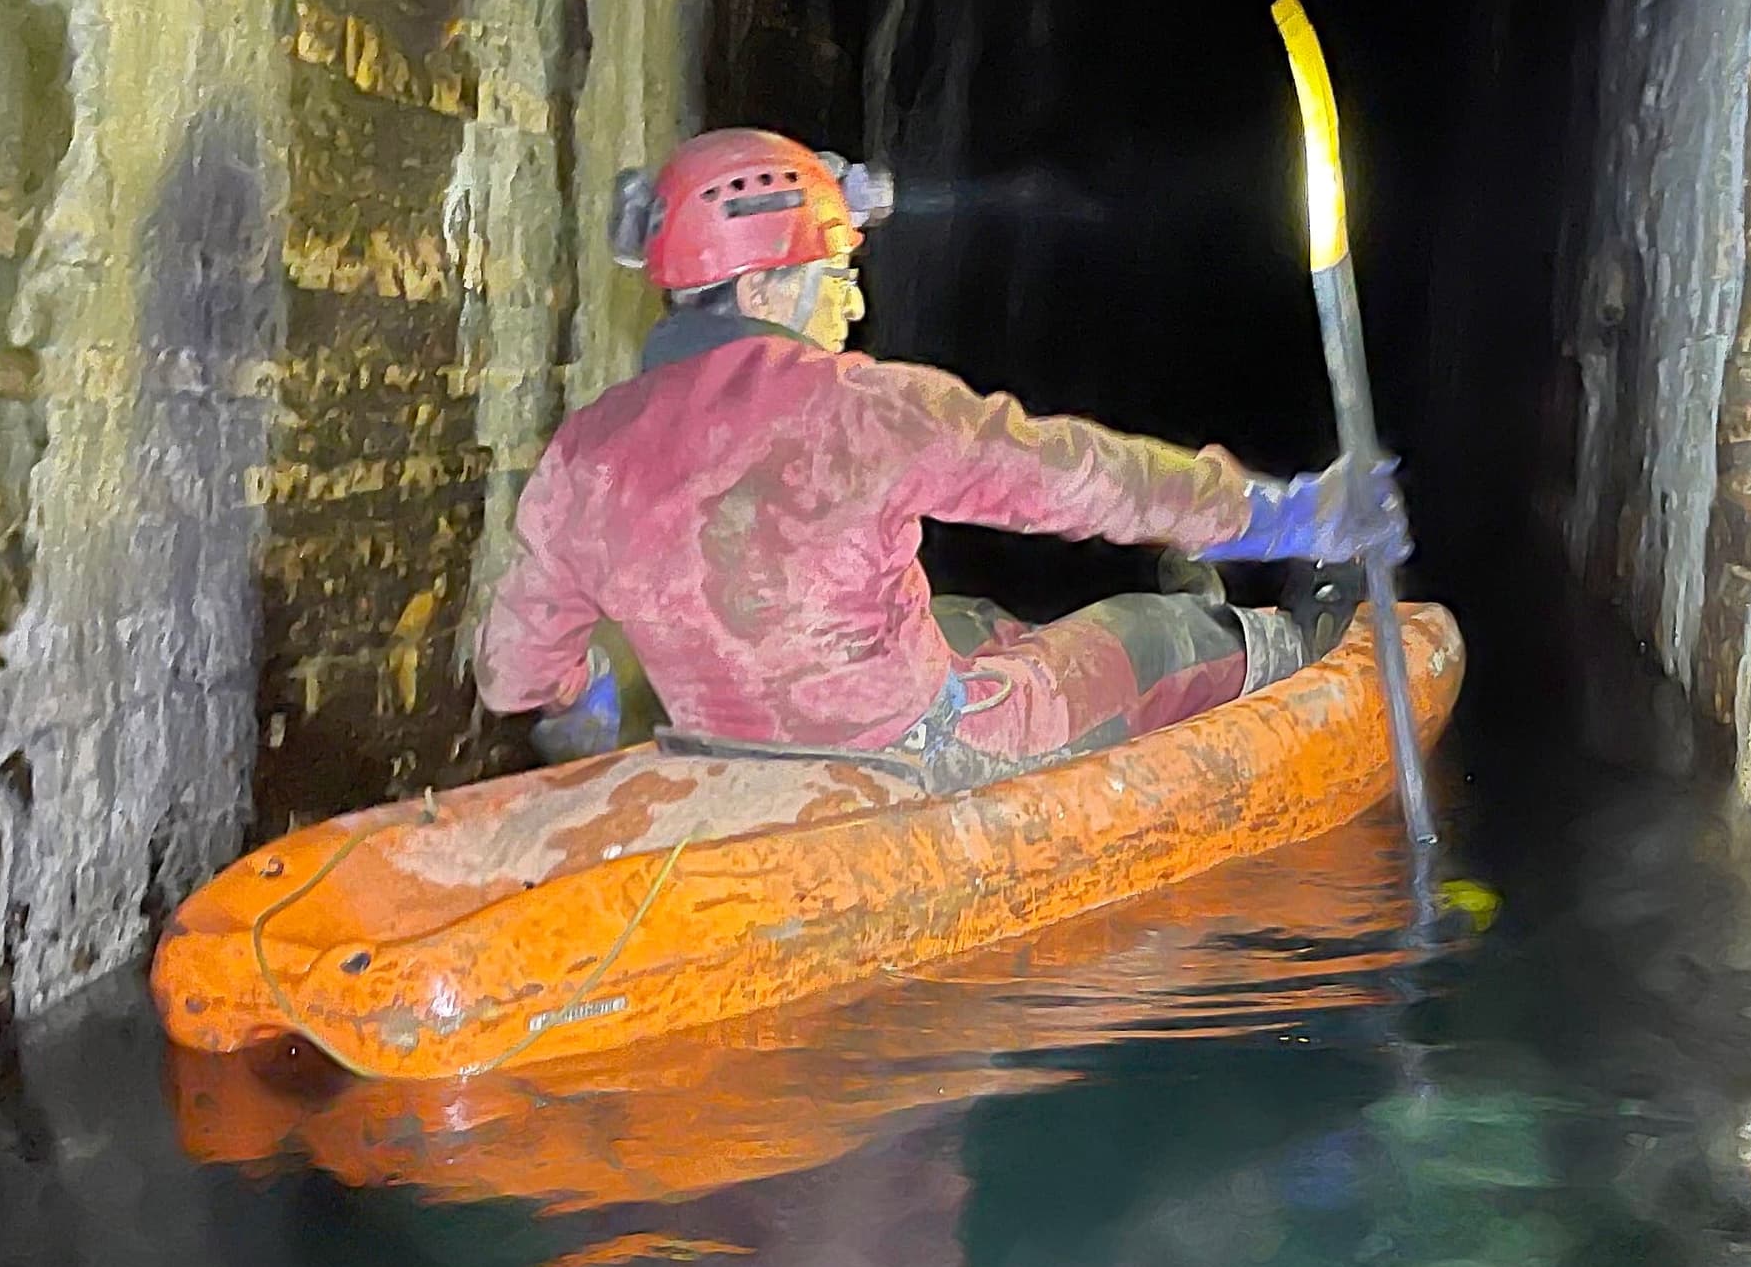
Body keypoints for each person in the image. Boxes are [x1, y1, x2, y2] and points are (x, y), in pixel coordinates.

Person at [473, 128, 1410, 784]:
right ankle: (1307, 655)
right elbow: (1086, 478)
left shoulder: (583, 454)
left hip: (724, 745)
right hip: (909, 747)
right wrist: (1277, 512)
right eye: (833, 278)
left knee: (975, 619)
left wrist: (584, 696)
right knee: (1163, 634)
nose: (852, 306)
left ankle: (1078, 638)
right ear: (760, 286)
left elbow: (513, 672)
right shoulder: (863, 410)